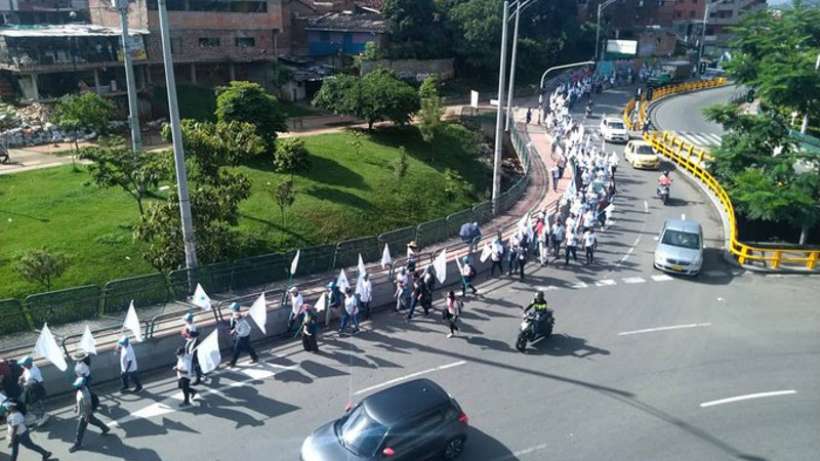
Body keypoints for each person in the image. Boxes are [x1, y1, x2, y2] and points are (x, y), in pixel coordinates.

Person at [68, 377, 109, 453]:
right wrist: (76, 406)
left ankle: (77, 444)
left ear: (82, 385)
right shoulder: (81, 390)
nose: (76, 387)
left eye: (78, 386)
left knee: (80, 429)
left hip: (85, 413)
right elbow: (79, 400)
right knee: (94, 421)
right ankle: (105, 428)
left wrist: (86, 416)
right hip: (85, 413)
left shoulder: (86, 395)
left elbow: (88, 406)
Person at [18, 357, 47, 425]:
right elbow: (24, 373)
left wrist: (25, 383)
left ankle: (42, 416)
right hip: (30, 389)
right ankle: (41, 415)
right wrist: (21, 377)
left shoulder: (34, 371)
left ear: (29, 364)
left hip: (36, 389)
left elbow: (40, 382)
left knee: (35, 404)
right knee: (32, 404)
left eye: (24, 365)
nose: (23, 366)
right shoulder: (28, 368)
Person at [228, 303, 258, 367]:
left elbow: (243, 329)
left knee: (237, 349)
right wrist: (234, 330)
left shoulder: (241, 321)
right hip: (243, 336)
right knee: (248, 347)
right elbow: (237, 325)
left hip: (242, 337)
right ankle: (255, 357)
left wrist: (237, 333)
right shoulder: (238, 318)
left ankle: (233, 363)